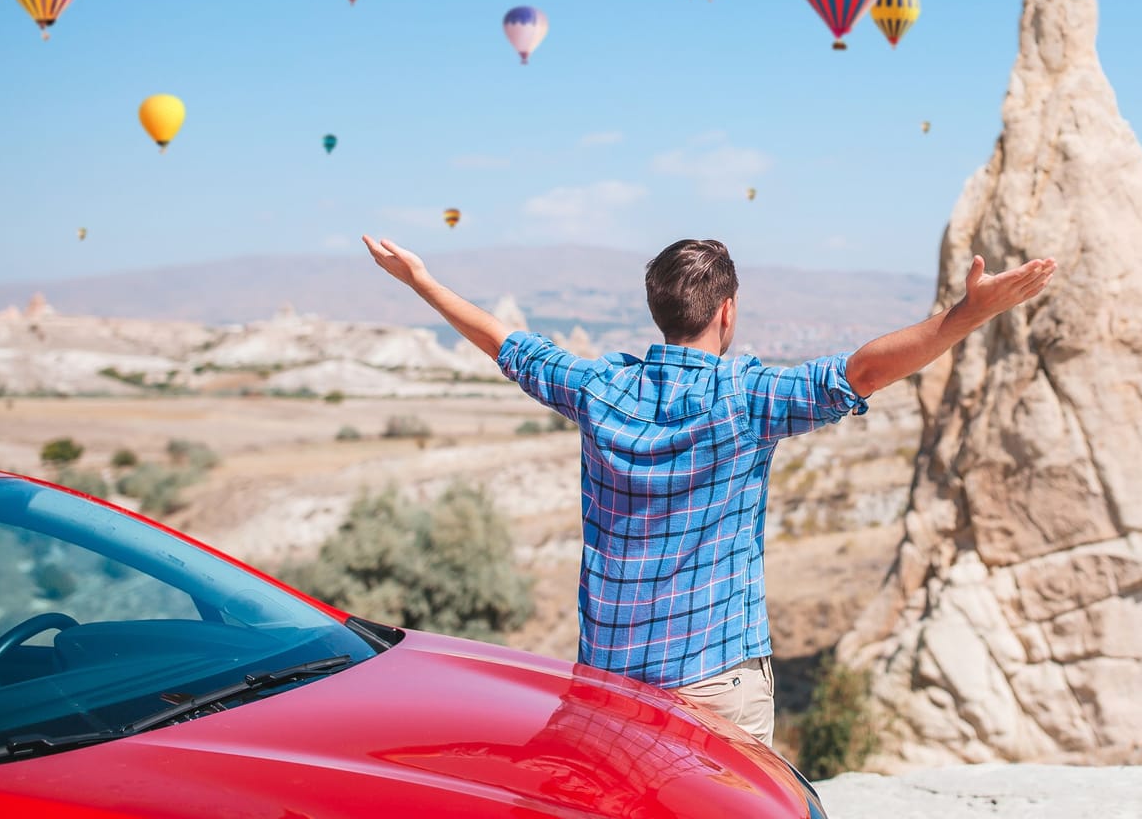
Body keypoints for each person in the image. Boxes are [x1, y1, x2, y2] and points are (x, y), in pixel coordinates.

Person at [362, 234, 1055, 747]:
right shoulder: (747, 397)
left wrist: (420, 280)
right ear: (727, 311)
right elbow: (861, 373)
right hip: (716, 685)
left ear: (658, 309)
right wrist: (964, 315)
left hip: (607, 686)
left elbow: (505, 343)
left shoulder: (597, 389)